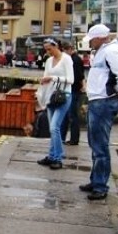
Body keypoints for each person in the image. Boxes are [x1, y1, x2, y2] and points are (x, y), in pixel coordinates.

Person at [80, 24, 118, 201]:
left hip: (103, 102)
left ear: (100, 38)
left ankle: (101, 185)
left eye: (92, 40)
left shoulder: (111, 52)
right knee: (95, 144)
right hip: (97, 101)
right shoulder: (103, 51)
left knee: (100, 146)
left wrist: (113, 91)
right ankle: (96, 181)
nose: (90, 43)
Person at [36, 38, 73, 170]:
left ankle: (58, 157)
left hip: (64, 96)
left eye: (49, 49)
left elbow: (71, 79)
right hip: (52, 96)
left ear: (56, 46)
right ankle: (52, 155)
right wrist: (44, 82)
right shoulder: (48, 61)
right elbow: (46, 76)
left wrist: (53, 78)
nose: (48, 52)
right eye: (46, 50)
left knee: (54, 127)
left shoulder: (67, 59)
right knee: (53, 129)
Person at [61, 40, 85, 145]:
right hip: (71, 90)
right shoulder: (73, 59)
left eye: (65, 51)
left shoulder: (74, 60)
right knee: (67, 115)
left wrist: (83, 86)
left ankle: (74, 139)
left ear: (69, 49)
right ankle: (63, 137)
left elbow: (79, 76)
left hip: (73, 90)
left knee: (72, 115)